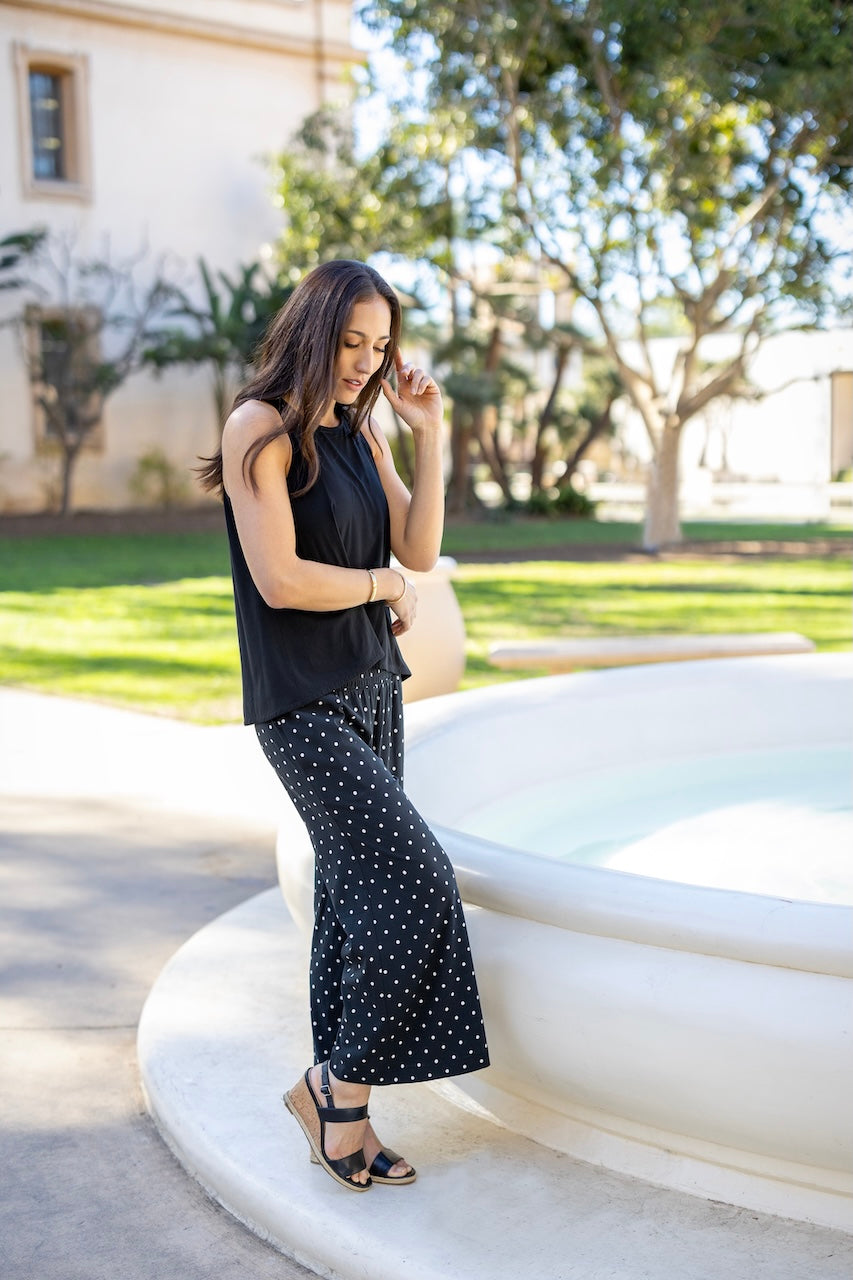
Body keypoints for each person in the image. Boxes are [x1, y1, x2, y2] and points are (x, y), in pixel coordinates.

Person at [199, 259, 490, 1193]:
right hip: (303, 704)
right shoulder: (262, 429)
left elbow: (421, 547)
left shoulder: (360, 433)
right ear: (313, 330)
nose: (366, 362)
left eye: (379, 346)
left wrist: (429, 436)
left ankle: (347, 1117)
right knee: (417, 885)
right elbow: (282, 579)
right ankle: (331, 1084)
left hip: (372, 688)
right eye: (351, 342)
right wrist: (384, 589)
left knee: (351, 907)